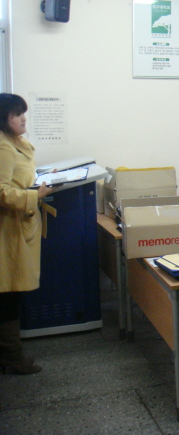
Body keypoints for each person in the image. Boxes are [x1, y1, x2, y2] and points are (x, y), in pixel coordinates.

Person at [0, 93, 53, 374]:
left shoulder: (15, 143)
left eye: (23, 113)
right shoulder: (4, 147)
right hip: (8, 231)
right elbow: (2, 191)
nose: (23, 119)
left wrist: (40, 179)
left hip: (18, 227)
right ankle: (12, 357)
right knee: (8, 294)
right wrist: (35, 195)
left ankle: (10, 355)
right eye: (16, 114)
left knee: (11, 293)